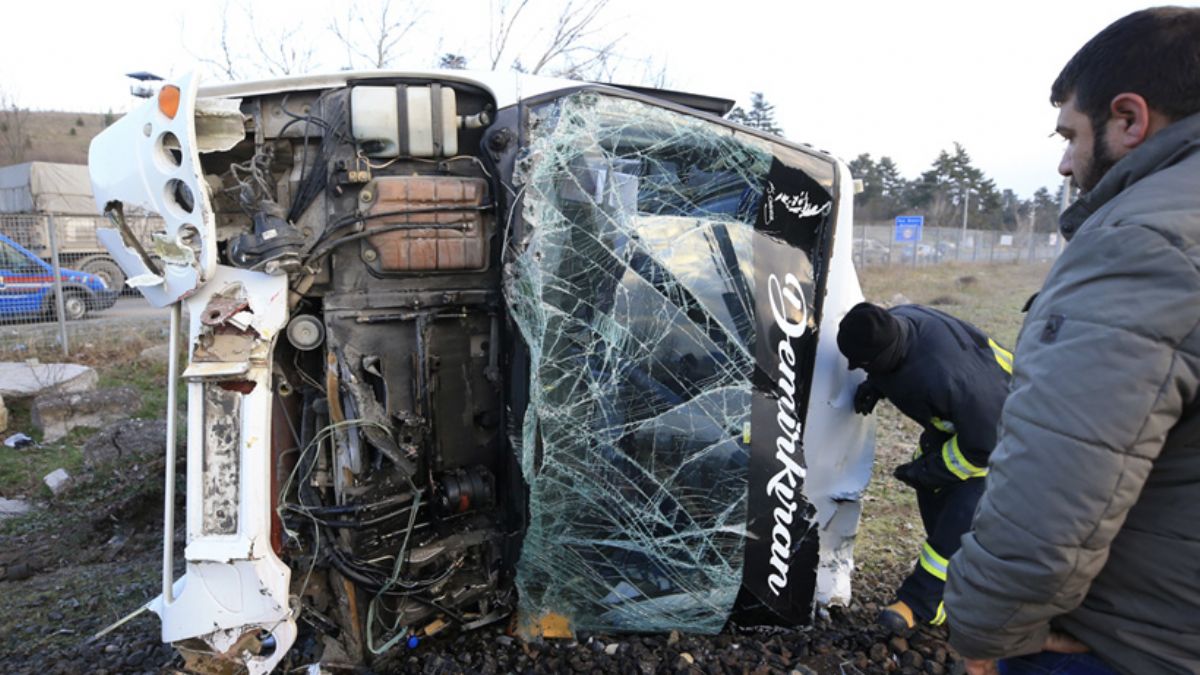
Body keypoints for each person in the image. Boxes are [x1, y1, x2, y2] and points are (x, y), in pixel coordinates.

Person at [943, 7, 1200, 675]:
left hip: (1127, 643)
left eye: (1070, 133)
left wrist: (987, 629)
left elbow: (1060, 476)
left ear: (1130, 119)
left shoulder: (1142, 239)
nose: (1063, 160)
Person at [837, 302, 1012, 633]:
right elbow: (888, 361)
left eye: (864, 366)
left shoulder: (946, 378)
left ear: (885, 356)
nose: (854, 369)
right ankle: (965, 588)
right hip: (968, 424)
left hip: (1009, 430)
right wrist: (876, 386)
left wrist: (930, 470)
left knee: (963, 509)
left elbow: (985, 446)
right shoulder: (898, 322)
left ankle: (922, 602)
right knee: (934, 495)